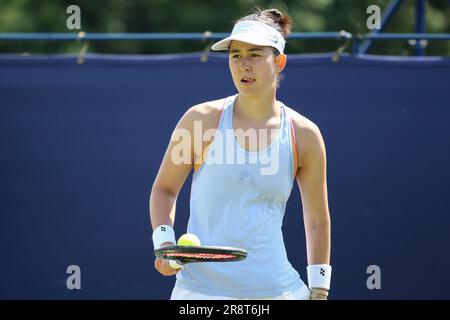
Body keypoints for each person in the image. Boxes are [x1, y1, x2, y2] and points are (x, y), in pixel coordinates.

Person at [150, 7, 331, 300]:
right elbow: (165, 189)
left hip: (279, 291)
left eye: (255, 55)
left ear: (279, 62)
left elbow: (317, 220)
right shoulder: (199, 120)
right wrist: (164, 243)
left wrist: (320, 288)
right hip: (198, 294)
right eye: (235, 55)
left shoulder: (305, 135)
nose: (244, 65)